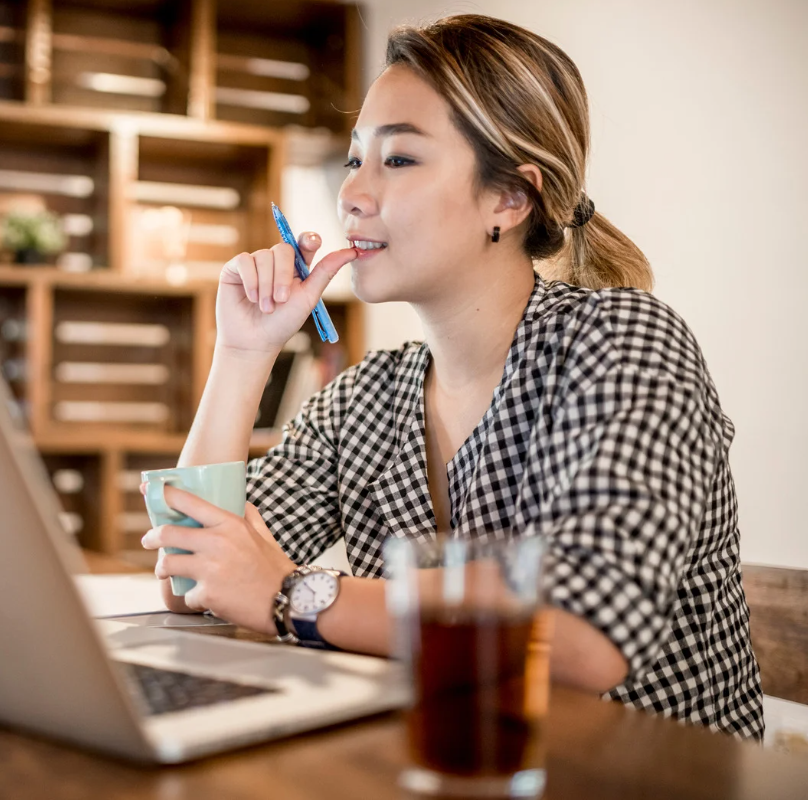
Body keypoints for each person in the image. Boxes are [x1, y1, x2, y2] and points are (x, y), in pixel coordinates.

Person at [139, 14, 763, 740]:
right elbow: (191, 580)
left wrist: (291, 593)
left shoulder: (622, 340)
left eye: (397, 161)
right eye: (353, 160)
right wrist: (243, 355)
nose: (353, 195)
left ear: (509, 198)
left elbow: (584, 634)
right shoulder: (363, 401)